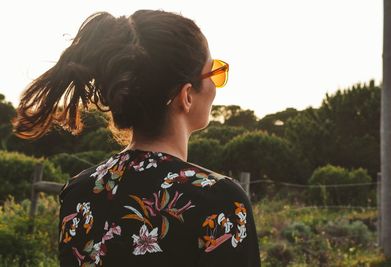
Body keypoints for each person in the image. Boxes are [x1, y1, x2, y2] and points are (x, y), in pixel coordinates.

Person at [13, 9, 261, 267]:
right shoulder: (219, 200)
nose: (217, 86)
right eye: (215, 73)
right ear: (187, 95)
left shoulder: (79, 192)